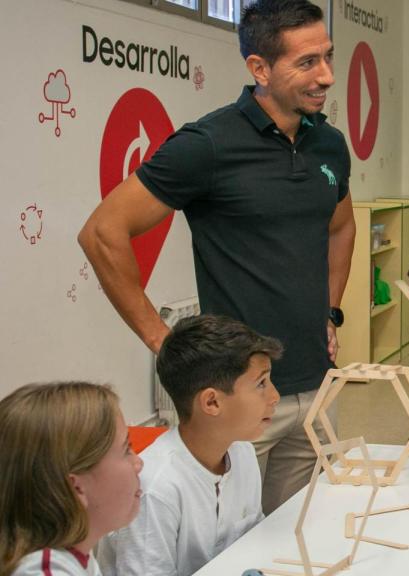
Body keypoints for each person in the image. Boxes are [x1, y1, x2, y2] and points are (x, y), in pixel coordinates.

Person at [77, 0, 356, 514]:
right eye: (307, 63)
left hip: (317, 386)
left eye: (328, 57)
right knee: (231, 546)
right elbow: (102, 232)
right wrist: (161, 341)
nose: (327, 76)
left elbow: (341, 227)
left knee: (301, 535)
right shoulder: (206, 145)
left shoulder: (330, 145)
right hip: (234, 396)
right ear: (260, 69)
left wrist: (330, 311)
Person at [99, 315, 282, 576]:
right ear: (212, 403)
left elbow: (251, 543)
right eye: (261, 384)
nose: (275, 396)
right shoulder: (156, 488)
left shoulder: (242, 452)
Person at [0, 382, 143, 576]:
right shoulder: (44, 572)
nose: (138, 463)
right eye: (126, 449)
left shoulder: (76, 554)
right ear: (75, 488)